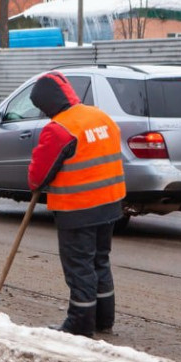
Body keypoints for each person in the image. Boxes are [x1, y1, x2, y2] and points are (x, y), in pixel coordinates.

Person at [27, 71, 125, 337]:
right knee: (99, 261)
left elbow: (37, 178)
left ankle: (80, 324)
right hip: (110, 203)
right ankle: (104, 320)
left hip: (78, 208)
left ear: (47, 103)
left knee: (79, 267)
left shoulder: (59, 129)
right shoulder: (100, 116)